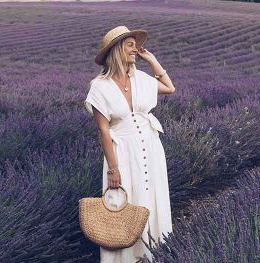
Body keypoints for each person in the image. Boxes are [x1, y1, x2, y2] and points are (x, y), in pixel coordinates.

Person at [84, 26, 176, 263]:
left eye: (136, 45)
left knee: (152, 199)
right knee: (125, 204)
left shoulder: (140, 79)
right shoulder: (99, 86)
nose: (136, 49)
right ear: (116, 50)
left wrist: (152, 60)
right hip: (122, 152)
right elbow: (103, 130)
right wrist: (113, 169)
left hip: (151, 148)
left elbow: (169, 88)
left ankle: (151, 254)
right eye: (130, 45)